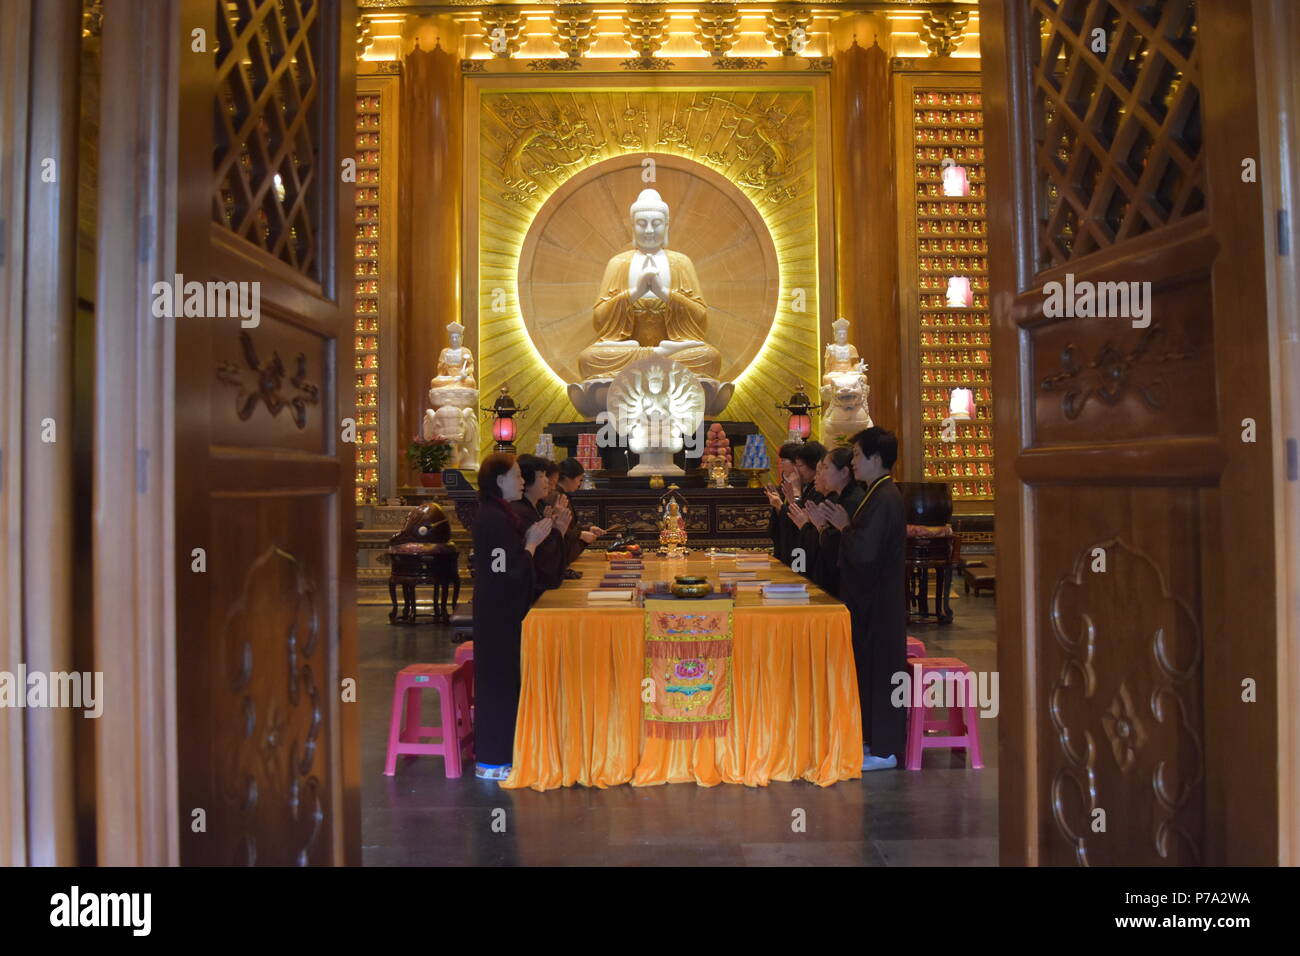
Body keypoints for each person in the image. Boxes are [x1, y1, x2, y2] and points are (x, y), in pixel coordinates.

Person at [822, 428, 906, 772]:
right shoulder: (876, 493)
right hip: (871, 599)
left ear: (875, 458)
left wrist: (844, 528)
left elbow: (867, 552)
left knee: (881, 669)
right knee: (870, 669)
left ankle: (886, 750)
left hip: (881, 601)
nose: (853, 462)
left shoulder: (885, 497)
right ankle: (873, 738)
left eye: (856, 455)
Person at [471, 453, 555, 781]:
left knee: (506, 683)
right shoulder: (491, 518)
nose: (522, 481)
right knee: (497, 685)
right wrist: (531, 546)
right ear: (499, 480)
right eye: (517, 475)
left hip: (502, 610)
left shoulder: (501, 514)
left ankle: (506, 752)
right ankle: (492, 760)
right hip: (496, 613)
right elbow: (501, 568)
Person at [789, 445, 864, 597]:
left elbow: (841, 545)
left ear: (844, 473)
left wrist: (815, 526)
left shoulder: (850, 501)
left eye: (825, 468)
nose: (821, 476)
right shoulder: (838, 498)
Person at [513, 454, 572, 597]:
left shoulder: (538, 507)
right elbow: (540, 556)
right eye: (540, 476)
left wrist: (556, 529)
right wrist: (558, 531)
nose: (547, 481)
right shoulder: (520, 511)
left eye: (546, 475)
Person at [553, 458, 607, 570]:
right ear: (568, 478)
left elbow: (570, 526)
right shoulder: (556, 496)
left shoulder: (561, 494)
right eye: (579, 480)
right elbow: (556, 529)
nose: (579, 484)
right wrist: (580, 535)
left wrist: (587, 530)